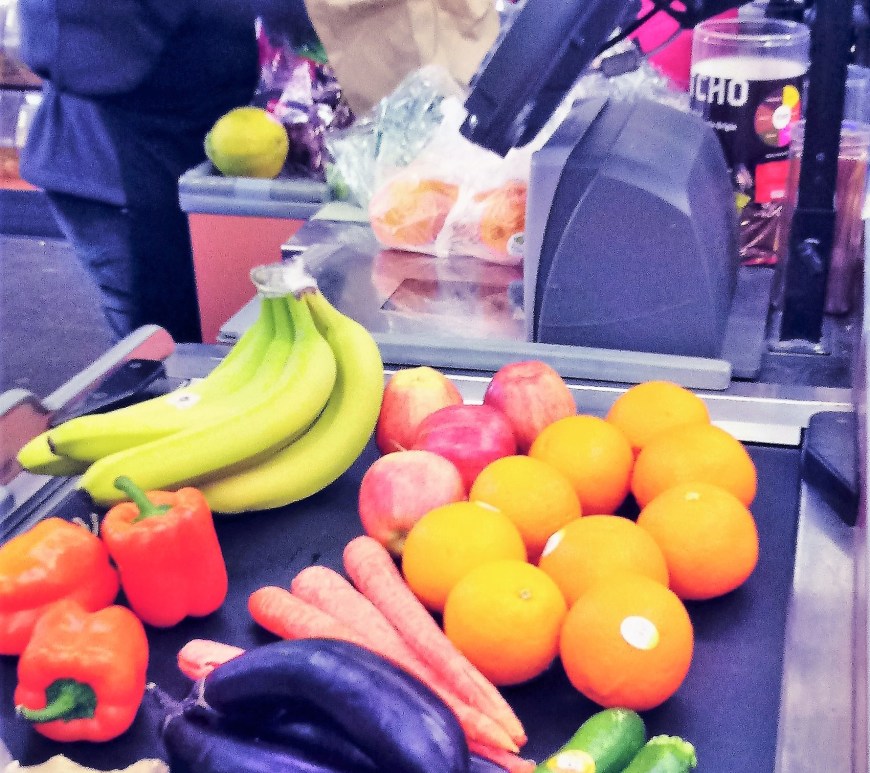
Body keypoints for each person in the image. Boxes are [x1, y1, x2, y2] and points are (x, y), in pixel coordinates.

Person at [17, 0, 261, 343]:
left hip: (180, 151)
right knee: (159, 345)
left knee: (189, 331)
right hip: (114, 171)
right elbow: (75, 47)